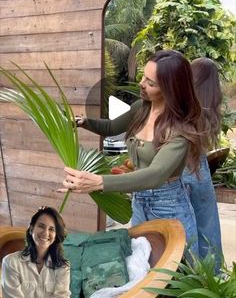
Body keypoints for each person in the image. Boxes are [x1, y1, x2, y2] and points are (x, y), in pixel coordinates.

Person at [58, 50, 203, 255]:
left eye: (151, 83)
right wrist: (84, 122)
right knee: (142, 266)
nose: (141, 84)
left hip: (169, 206)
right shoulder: (141, 108)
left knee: (176, 273)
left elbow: (156, 174)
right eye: (144, 77)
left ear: (171, 89)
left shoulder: (180, 129)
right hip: (139, 202)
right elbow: (110, 128)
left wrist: (100, 182)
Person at [182, 57, 223, 270]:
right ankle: (211, 274)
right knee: (207, 225)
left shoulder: (183, 106)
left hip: (180, 170)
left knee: (183, 231)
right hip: (200, 169)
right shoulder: (211, 108)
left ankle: (187, 276)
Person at [1, 206, 71, 298]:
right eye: (41, 226)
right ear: (31, 228)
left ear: (56, 235)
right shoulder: (10, 262)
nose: (45, 233)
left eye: (51, 229)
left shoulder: (62, 266)